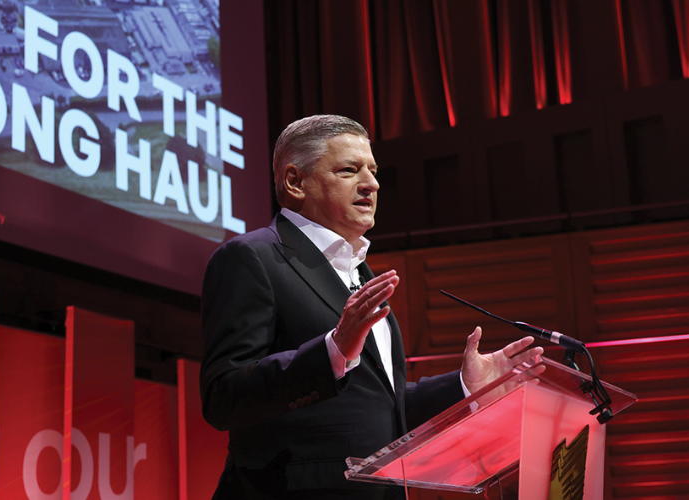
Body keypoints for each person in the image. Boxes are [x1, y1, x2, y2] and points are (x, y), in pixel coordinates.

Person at [199, 115, 543, 499]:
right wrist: (332, 350)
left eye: (373, 171)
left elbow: (377, 407)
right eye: (349, 170)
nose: (372, 184)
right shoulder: (252, 258)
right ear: (295, 182)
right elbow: (223, 397)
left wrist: (464, 386)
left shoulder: (359, 272)